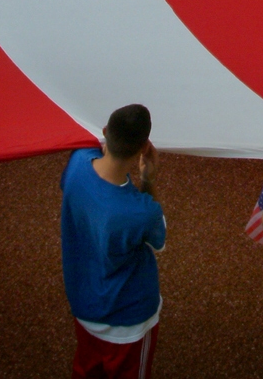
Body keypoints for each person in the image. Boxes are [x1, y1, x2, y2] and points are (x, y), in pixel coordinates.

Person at [60, 104, 165, 379]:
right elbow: (159, 242)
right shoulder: (142, 211)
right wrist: (148, 179)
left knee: (86, 367)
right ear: (144, 147)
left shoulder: (77, 163)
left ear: (106, 132)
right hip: (128, 320)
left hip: (84, 305)